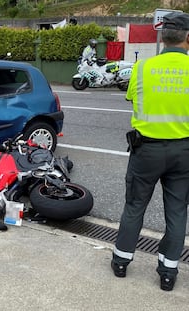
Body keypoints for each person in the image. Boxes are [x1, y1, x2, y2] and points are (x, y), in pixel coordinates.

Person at [111, 11, 189, 292]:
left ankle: (121, 261)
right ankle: (168, 272)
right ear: (188, 38)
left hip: (146, 151)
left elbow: (132, 97)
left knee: (134, 206)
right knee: (178, 211)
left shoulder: (143, 68)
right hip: (184, 151)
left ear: (162, 36)